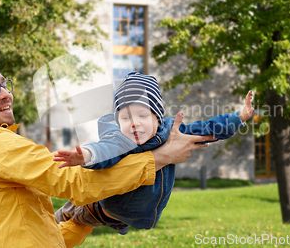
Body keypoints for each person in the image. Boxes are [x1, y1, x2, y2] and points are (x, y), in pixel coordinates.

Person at [0, 55, 214, 248]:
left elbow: (34, 237)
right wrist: (161, 157)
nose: (5, 93)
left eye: (4, 84)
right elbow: (76, 182)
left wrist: (83, 220)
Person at [53, 71, 255, 234]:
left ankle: (120, 224)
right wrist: (86, 155)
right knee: (64, 219)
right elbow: (104, 149)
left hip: (133, 214)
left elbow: (207, 128)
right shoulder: (120, 139)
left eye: (142, 115)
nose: (134, 123)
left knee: (91, 225)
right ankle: (49, 222)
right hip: (97, 209)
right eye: (125, 118)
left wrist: (239, 117)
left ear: (158, 118)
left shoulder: (172, 133)